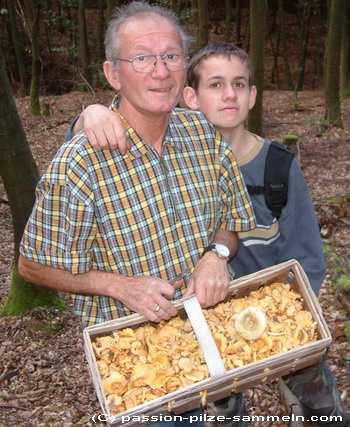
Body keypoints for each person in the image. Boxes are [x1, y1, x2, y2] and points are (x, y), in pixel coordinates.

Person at [71, 43, 349, 427]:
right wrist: (88, 113)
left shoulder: (278, 168)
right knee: (219, 413)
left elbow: (307, 257)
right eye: (215, 85)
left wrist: (288, 314)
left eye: (239, 84)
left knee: (322, 412)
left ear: (253, 95)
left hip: (279, 311)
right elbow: (118, 127)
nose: (229, 94)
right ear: (190, 98)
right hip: (205, 321)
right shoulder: (175, 162)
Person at [18, 4, 256, 426]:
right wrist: (119, 286)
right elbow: (32, 265)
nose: (160, 71)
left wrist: (217, 254)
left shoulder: (202, 134)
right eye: (142, 57)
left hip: (219, 345)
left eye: (171, 57)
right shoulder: (81, 163)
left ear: (185, 68)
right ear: (113, 74)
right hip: (141, 373)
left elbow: (231, 223)